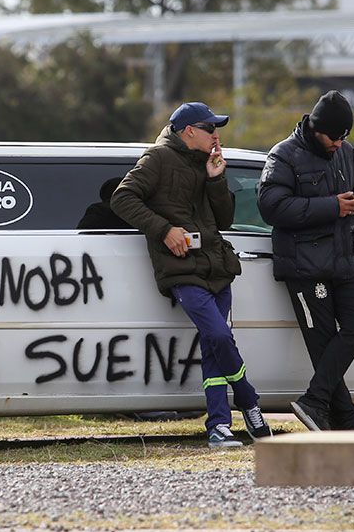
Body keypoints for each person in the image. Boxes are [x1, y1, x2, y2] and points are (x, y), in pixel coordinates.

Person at [111, 102, 272, 448]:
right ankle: (248, 399)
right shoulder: (157, 158)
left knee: (214, 346)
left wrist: (216, 179)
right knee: (219, 336)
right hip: (182, 270)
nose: (216, 135)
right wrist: (164, 230)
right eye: (209, 128)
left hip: (218, 268)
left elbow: (224, 220)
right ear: (188, 132)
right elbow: (122, 198)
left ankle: (219, 427)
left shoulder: (206, 162)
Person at [257, 90, 354, 432]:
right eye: (334, 137)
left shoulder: (346, 152)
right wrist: (333, 206)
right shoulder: (283, 155)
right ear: (315, 128)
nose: (339, 144)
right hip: (306, 267)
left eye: (344, 137)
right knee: (324, 343)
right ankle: (349, 422)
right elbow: (272, 207)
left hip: (348, 261)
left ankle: (315, 401)